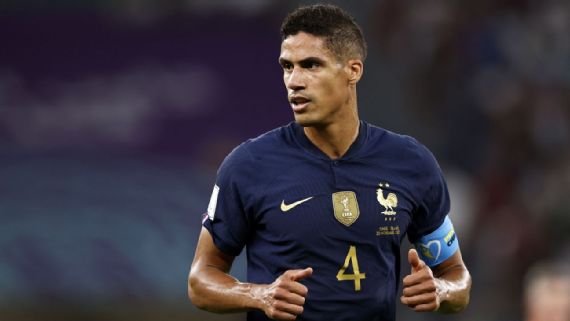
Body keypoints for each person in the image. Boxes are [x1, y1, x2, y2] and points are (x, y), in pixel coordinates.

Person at [188, 4, 471, 321]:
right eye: (287, 66)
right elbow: (201, 280)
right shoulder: (248, 165)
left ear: (353, 70)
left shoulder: (411, 162)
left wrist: (441, 290)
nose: (294, 81)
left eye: (311, 65)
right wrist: (258, 294)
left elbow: (457, 277)